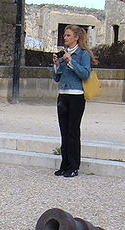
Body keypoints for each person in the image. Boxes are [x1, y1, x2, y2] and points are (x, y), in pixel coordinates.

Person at [51, 25, 96, 178]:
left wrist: (71, 62)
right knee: (64, 131)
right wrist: (56, 65)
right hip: (63, 94)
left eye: (68, 35)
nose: (65, 38)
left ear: (76, 37)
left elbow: (85, 74)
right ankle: (64, 164)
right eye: (65, 35)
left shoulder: (82, 54)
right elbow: (57, 78)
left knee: (73, 131)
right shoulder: (63, 53)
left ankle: (74, 166)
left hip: (76, 96)